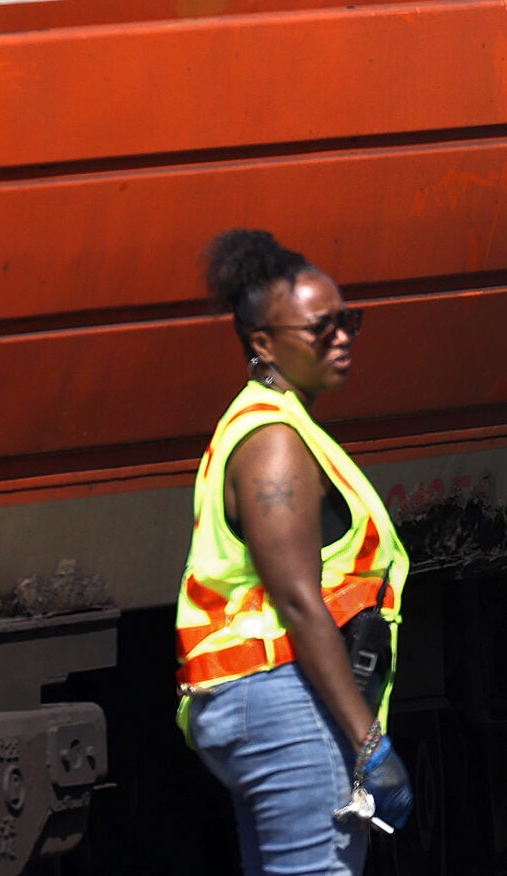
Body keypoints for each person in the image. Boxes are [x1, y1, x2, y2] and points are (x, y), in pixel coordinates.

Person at [177, 230, 414, 876]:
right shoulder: (274, 437)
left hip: (261, 696)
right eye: (321, 327)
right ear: (262, 342)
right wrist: (369, 744)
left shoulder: (274, 423)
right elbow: (298, 598)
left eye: (349, 321)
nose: (342, 337)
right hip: (285, 698)